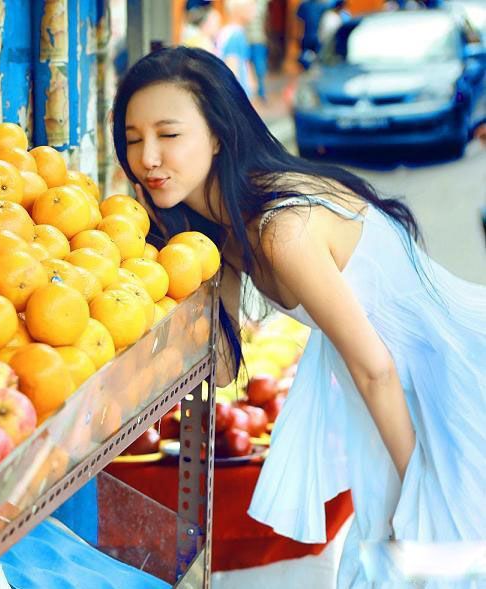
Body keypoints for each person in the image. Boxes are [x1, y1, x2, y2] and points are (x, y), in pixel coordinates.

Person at [112, 46, 485, 587]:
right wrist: (178, 254)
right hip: (399, 401)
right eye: (132, 139)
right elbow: (216, 368)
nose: (147, 157)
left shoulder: (282, 227)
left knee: (434, 561)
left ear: (217, 135)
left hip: (442, 390)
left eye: (169, 135)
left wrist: (415, 491)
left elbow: (375, 368)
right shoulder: (219, 229)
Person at [216, 0, 258, 98]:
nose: (255, 11)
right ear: (239, 10)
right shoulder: (236, 35)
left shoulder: (227, 31)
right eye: (251, 6)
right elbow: (232, 68)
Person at [245, 0, 270, 102]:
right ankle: (257, 92)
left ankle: (260, 92)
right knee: (248, 66)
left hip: (257, 39)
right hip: (250, 38)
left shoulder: (259, 5)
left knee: (259, 67)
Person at [296, 0, 326, 69]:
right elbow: (299, 22)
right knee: (311, 60)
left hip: (310, 36)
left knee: (310, 59)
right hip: (312, 37)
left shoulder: (321, 6)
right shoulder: (321, 6)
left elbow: (299, 22)